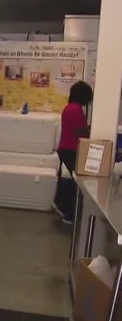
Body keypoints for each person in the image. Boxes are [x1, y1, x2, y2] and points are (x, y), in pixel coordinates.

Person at [54, 81, 92, 223]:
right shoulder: (76, 110)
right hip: (72, 149)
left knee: (73, 180)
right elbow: (81, 131)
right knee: (79, 183)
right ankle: (70, 213)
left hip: (66, 148)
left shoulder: (69, 108)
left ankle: (64, 207)